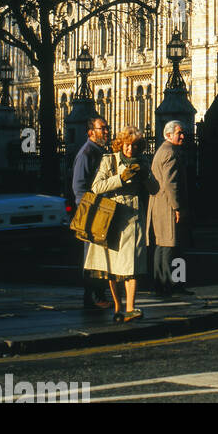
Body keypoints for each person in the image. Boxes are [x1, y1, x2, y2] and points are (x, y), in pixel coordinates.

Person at [84, 125, 149, 322]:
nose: (131, 149)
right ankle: (118, 308)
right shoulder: (108, 160)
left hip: (133, 216)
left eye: (135, 146)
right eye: (128, 145)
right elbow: (96, 187)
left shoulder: (144, 162)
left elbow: (154, 189)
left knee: (132, 265)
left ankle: (130, 307)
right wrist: (120, 179)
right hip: (112, 216)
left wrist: (146, 175)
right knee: (113, 267)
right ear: (121, 144)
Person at [147, 119, 194, 298]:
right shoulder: (170, 153)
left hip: (160, 206)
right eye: (179, 133)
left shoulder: (163, 151)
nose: (183, 136)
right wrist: (177, 207)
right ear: (168, 135)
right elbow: (170, 183)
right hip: (169, 206)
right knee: (174, 247)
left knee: (162, 246)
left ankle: (160, 285)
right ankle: (175, 285)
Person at [71, 115, 111, 312]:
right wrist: (89, 211)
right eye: (102, 128)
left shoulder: (100, 151)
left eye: (106, 128)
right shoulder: (87, 153)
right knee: (91, 256)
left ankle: (98, 294)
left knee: (100, 255)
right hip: (91, 211)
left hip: (101, 210)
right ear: (90, 132)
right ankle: (92, 296)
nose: (106, 131)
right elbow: (78, 187)